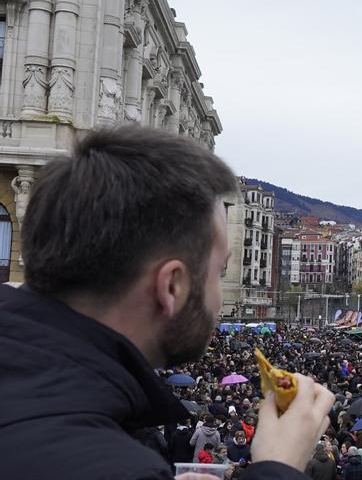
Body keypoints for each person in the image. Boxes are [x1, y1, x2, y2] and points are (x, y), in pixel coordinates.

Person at [0, 126, 334, 479]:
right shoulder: (112, 467)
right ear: (172, 286)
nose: (219, 297)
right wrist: (278, 468)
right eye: (217, 272)